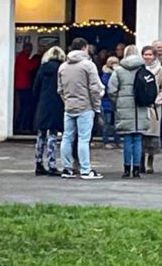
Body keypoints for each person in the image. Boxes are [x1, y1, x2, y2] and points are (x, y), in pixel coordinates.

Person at [56, 37, 105, 180]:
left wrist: (67, 102)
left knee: (67, 137)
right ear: (85, 47)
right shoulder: (88, 65)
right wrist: (96, 106)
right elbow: (95, 88)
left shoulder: (63, 66)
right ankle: (85, 169)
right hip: (85, 106)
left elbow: (60, 89)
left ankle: (67, 168)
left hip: (69, 107)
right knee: (84, 139)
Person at [108, 45, 153, 179]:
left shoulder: (119, 71)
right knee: (138, 138)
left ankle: (127, 169)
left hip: (125, 107)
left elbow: (111, 90)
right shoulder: (144, 69)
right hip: (141, 107)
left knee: (127, 139)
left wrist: (118, 101)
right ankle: (137, 169)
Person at [31, 45, 66, 176]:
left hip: (43, 104)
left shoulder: (42, 69)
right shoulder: (61, 69)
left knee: (41, 135)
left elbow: (35, 88)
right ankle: (52, 164)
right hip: (57, 104)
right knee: (53, 135)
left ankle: (38, 163)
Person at [141, 45, 162, 173]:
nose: (147, 57)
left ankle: (150, 162)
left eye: (150, 54)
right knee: (140, 135)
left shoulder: (161, 70)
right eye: (145, 54)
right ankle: (139, 162)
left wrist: (157, 100)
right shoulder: (139, 69)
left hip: (154, 108)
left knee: (152, 137)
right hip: (141, 106)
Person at [14, 40, 40, 135]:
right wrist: (38, 60)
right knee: (25, 107)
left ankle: (22, 126)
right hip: (23, 86)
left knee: (24, 107)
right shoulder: (22, 58)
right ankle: (22, 126)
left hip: (22, 85)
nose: (29, 51)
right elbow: (30, 67)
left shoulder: (21, 57)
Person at [100, 56, 121, 149]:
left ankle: (117, 141)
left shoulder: (119, 74)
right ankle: (106, 141)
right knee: (107, 123)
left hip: (116, 102)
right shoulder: (105, 75)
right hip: (107, 102)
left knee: (117, 123)